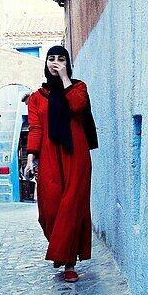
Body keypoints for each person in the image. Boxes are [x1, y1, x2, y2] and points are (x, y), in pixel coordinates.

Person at [23, 45, 98, 282]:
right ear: (45, 64)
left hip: (76, 154)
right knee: (50, 210)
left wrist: (65, 77)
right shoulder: (36, 97)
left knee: (71, 206)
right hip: (49, 156)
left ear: (67, 63)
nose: (56, 63)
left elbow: (77, 106)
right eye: (51, 59)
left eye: (61, 59)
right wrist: (30, 158)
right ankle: (60, 248)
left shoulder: (78, 87)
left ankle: (69, 263)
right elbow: (35, 128)